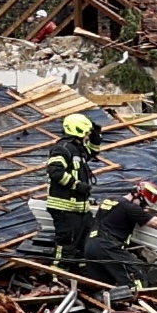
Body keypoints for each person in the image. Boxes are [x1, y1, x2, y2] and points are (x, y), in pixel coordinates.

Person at [42, 107, 106, 275]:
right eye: (86, 133)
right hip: (64, 207)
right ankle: (58, 276)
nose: (87, 136)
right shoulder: (61, 149)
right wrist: (77, 186)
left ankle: (81, 275)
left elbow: (92, 152)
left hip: (79, 209)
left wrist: (96, 137)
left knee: (86, 242)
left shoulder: (77, 149)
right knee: (66, 245)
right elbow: (55, 172)